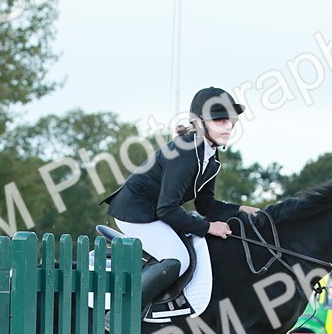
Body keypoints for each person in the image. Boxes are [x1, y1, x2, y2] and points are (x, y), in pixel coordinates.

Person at [101, 86, 260, 307]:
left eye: (230, 121)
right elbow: (166, 210)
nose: (228, 126)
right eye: (220, 120)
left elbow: (206, 204)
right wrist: (208, 227)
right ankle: (122, 312)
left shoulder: (210, 156)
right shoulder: (186, 151)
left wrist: (240, 209)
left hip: (155, 211)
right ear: (199, 123)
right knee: (178, 258)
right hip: (135, 213)